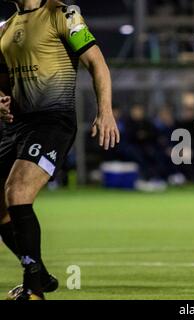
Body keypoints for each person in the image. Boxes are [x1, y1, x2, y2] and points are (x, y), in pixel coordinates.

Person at [0, 0, 120, 300]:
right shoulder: (5, 28)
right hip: (17, 126)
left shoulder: (63, 14)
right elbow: (4, 83)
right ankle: (39, 272)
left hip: (53, 122)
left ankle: (34, 289)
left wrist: (105, 110)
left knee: (17, 192)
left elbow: (97, 62)